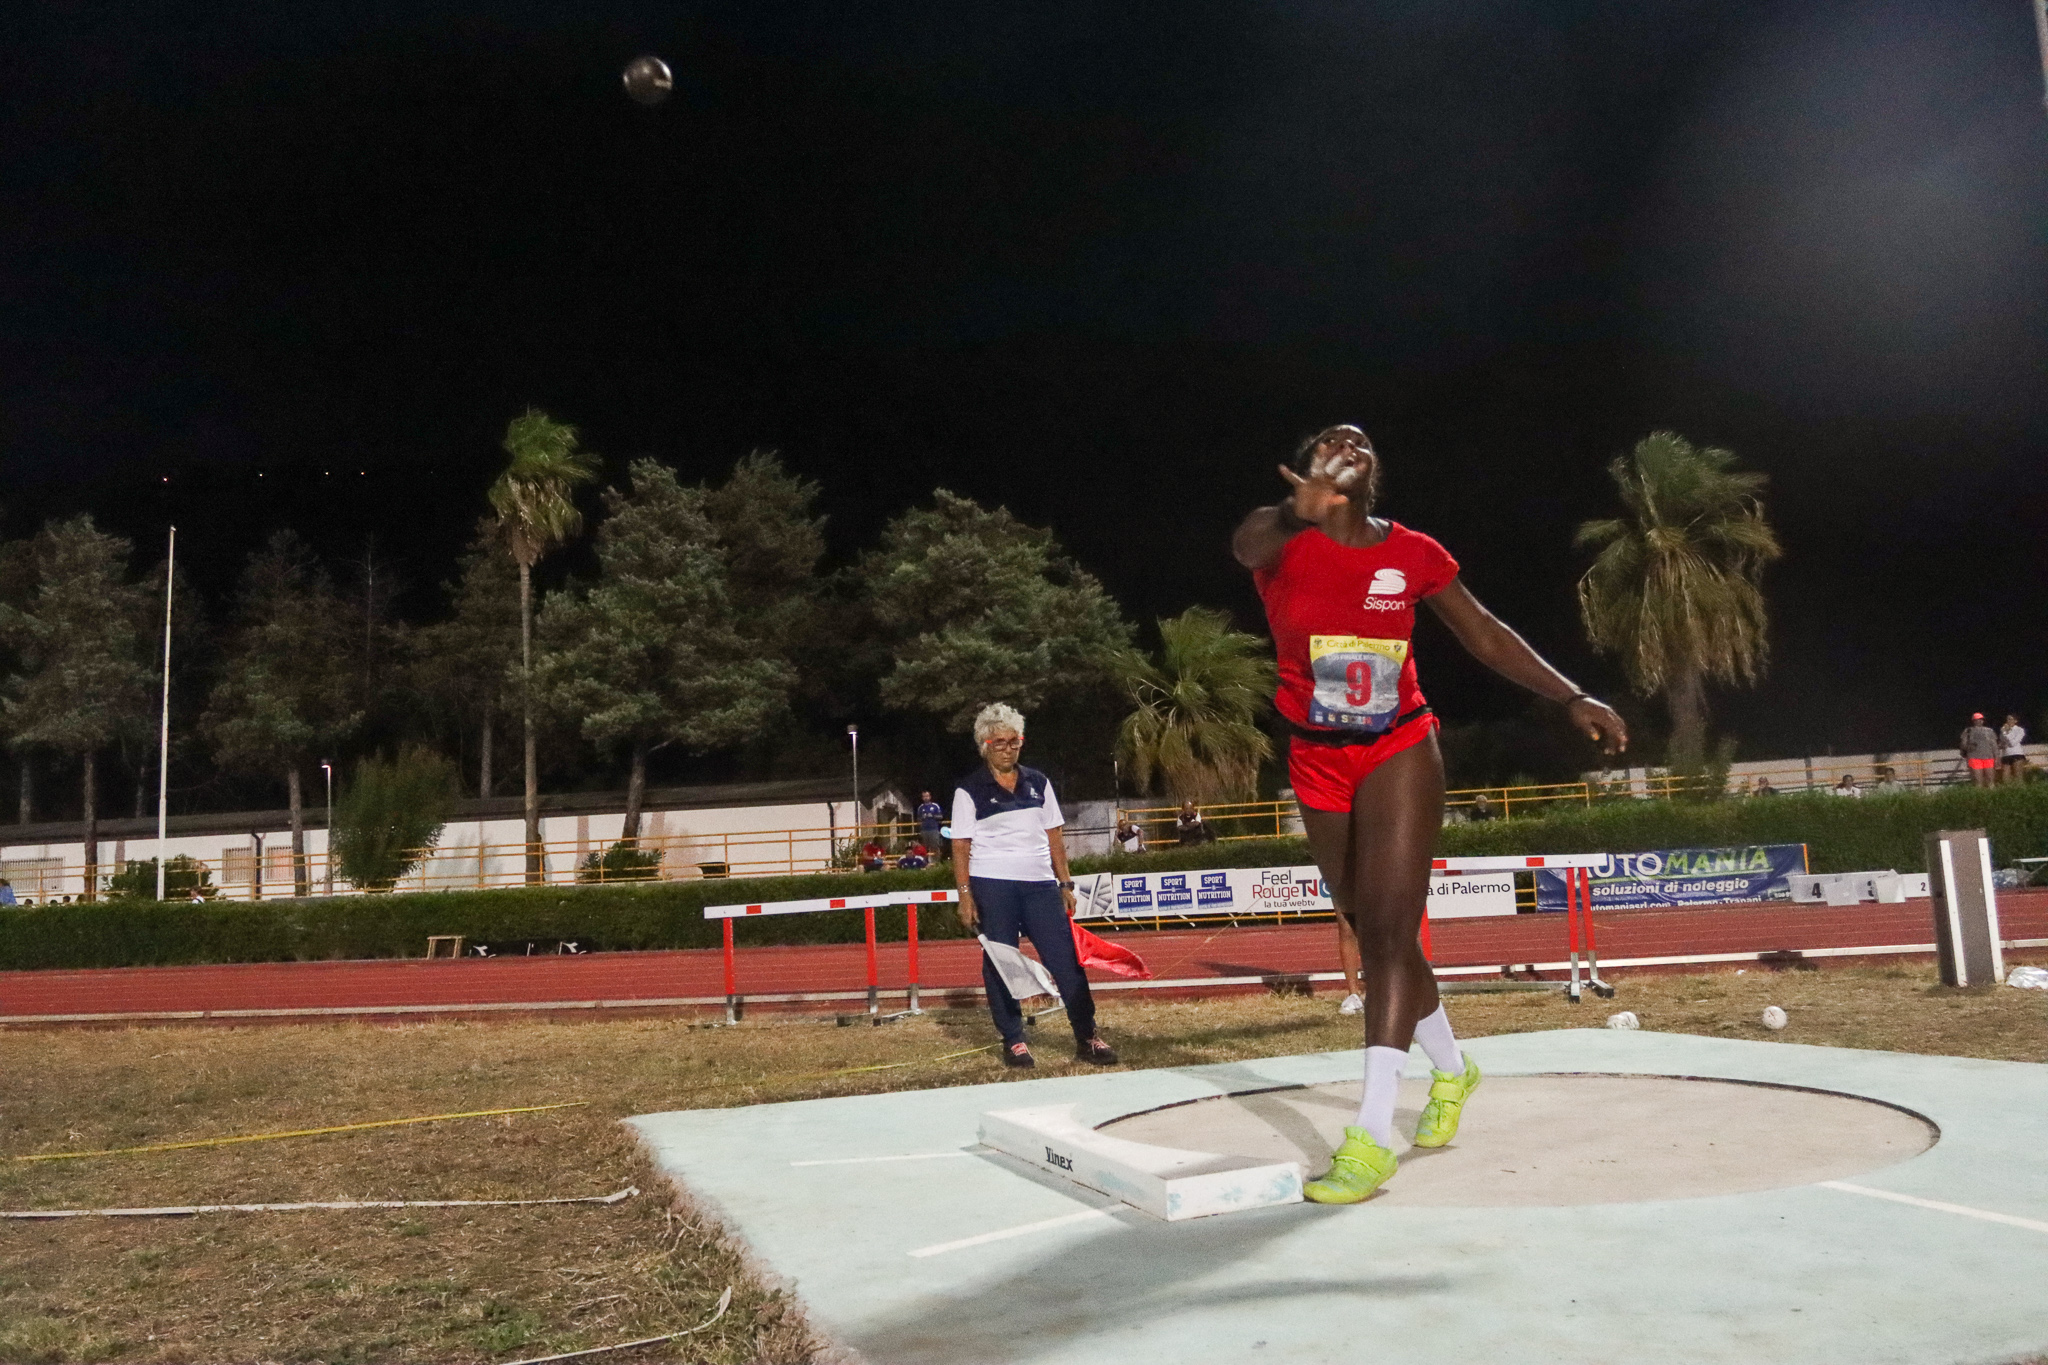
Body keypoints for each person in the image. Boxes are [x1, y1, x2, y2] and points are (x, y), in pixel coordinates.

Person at [1233, 423, 1626, 1204]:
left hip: (1399, 745)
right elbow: (1247, 545)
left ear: (1375, 470)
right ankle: (1454, 1069)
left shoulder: (1412, 552)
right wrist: (1294, 511)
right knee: (1369, 921)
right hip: (1317, 754)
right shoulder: (1281, 539)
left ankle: (1371, 1136)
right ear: (1310, 467)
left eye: (1361, 441)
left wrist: (1569, 694)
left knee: (1388, 931)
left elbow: (1485, 634)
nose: (1349, 444)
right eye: (1332, 440)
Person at [951, 702, 1118, 1069]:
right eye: (999, 742)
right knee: (1002, 963)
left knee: (1066, 960)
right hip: (993, 885)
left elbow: (1054, 836)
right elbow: (960, 845)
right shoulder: (968, 789)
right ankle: (1014, 1040)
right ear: (984, 745)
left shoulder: (1038, 782)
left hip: (1040, 885)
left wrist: (1065, 882)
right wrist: (965, 896)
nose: (1008, 749)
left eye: (1015, 741)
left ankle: (1087, 1036)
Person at [1961, 713, 2000, 788]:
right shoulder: (1968, 731)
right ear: (1973, 721)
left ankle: (1991, 793)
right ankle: (1979, 794)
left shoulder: (1989, 730)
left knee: (1990, 781)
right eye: (1977, 720)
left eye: (1981, 719)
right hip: (1974, 757)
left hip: (1989, 757)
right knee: (1978, 781)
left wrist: (1997, 757)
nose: (1979, 721)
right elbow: (1963, 744)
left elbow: (1994, 745)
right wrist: (1969, 747)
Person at [915, 790, 947, 858]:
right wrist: (923, 817)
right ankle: (925, 862)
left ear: (930, 797)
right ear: (922, 798)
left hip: (934, 829)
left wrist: (932, 816)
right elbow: (918, 819)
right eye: (924, 796)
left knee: (935, 847)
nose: (926, 798)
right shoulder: (921, 807)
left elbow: (941, 816)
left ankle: (936, 862)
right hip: (924, 830)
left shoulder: (935, 806)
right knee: (924, 848)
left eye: (927, 796)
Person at [2000, 714, 2028, 785]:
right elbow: (2002, 742)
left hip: (2016, 753)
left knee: (2018, 775)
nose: (2008, 721)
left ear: (2015, 721)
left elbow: (2013, 743)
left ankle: (2020, 788)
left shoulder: (2019, 730)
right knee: (2005, 776)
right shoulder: (2003, 730)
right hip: (2006, 754)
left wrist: (2006, 733)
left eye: (2010, 719)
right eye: (2007, 719)